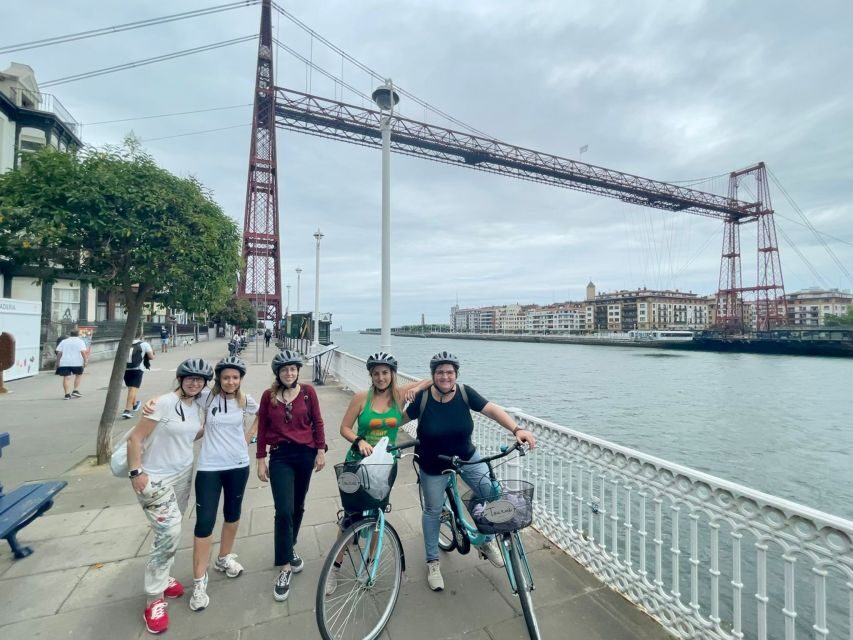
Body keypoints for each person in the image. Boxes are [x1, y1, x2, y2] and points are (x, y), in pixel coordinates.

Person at [405, 351, 536, 592]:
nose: (445, 377)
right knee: (433, 510)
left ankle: (485, 542)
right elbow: (396, 420)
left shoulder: (465, 393)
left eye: (449, 372)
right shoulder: (422, 399)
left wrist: (517, 429)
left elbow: (492, 410)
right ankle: (433, 561)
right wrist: (381, 442)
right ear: (432, 375)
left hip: (466, 457)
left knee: (491, 494)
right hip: (433, 464)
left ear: (456, 374)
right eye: (440, 372)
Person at [324, 351, 429, 595]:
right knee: (351, 518)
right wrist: (359, 440)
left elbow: (431, 380)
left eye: (385, 373)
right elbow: (344, 428)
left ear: (393, 375)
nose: (381, 378)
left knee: (378, 515)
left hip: (384, 466)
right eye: (376, 373)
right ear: (371, 376)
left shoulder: (400, 395)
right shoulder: (362, 397)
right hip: (357, 463)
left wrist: (416, 388)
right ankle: (335, 567)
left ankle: (370, 565)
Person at [126, 358, 213, 635]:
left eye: (200, 380)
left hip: (183, 475)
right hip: (156, 478)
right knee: (169, 533)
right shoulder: (162, 403)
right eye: (190, 378)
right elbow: (135, 439)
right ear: (180, 378)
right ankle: (154, 599)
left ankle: (162, 578)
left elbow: (190, 434)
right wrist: (136, 472)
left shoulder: (195, 404)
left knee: (168, 532)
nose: (195, 382)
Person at [186, 356, 258, 611]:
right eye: (226, 377)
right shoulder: (207, 397)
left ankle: (224, 558)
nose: (230, 381)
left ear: (240, 380)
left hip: (238, 465)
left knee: (232, 515)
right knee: (204, 522)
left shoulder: (245, 400)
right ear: (219, 378)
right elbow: (184, 395)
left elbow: (263, 413)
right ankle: (198, 580)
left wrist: (251, 434)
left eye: (235, 377)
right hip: (210, 467)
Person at [256, 349, 327, 602]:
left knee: (298, 506)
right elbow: (263, 427)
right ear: (278, 373)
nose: (289, 372)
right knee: (283, 510)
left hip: (305, 454)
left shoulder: (308, 393)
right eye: (285, 369)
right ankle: (285, 567)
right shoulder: (269, 396)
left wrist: (320, 450)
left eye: (293, 369)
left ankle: (289, 545)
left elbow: (317, 422)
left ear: (298, 371)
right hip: (280, 457)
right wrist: (260, 459)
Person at [122, 333, 155, 419]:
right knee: (133, 388)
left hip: (125, 368)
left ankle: (135, 404)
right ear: (140, 335)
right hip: (137, 368)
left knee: (131, 388)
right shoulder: (144, 344)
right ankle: (127, 410)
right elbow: (151, 357)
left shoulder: (125, 343)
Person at [55, 329, 89, 399]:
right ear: (78, 334)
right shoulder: (80, 341)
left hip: (65, 362)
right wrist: (85, 361)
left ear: (70, 334)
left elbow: (59, 353)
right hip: (77, 362)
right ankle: (75, 390)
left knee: (66, 377)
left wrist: (57, 362)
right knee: (78, 375)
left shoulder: (64, 341)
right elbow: (83, 352)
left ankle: (67, 394)